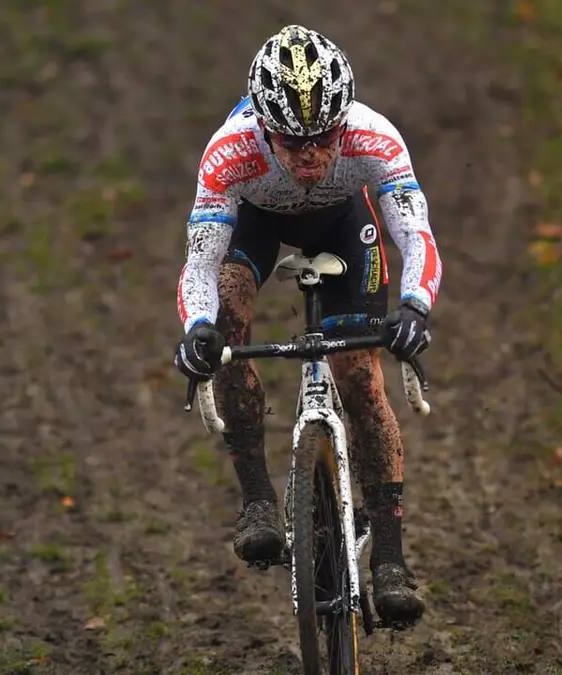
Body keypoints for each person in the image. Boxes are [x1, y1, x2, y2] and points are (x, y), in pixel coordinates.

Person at [172, 24, 442, 628]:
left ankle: (391, 560)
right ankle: (257, 501)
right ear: (262, 127)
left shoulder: (373, 137)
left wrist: (415, 307)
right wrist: (197, 327)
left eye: (324, 138)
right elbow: (201, 261)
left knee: (361, 377)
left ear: (345, 122)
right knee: (227, 322)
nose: (310, 157)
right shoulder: (230, 151)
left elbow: (415, 234)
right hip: (258, 225)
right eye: (292, 143)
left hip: (344, 225)